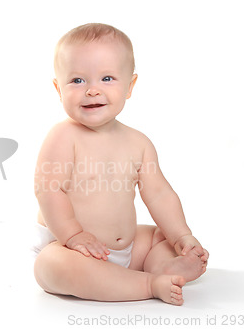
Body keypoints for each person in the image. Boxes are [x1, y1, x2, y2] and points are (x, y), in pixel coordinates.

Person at [33, 23, 209, 306]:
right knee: (51, 264)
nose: (92, 90)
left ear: (130, 86)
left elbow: (159, 193)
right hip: (69, 247)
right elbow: (48, 190)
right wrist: (74, 236)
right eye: (77, 81)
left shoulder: (138, 143)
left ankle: (162, 267)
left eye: (107, 78)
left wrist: (181, 235)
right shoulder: (63, 137)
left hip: (124, 247)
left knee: (158, 236)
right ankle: (149, 284)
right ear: (58, 88)